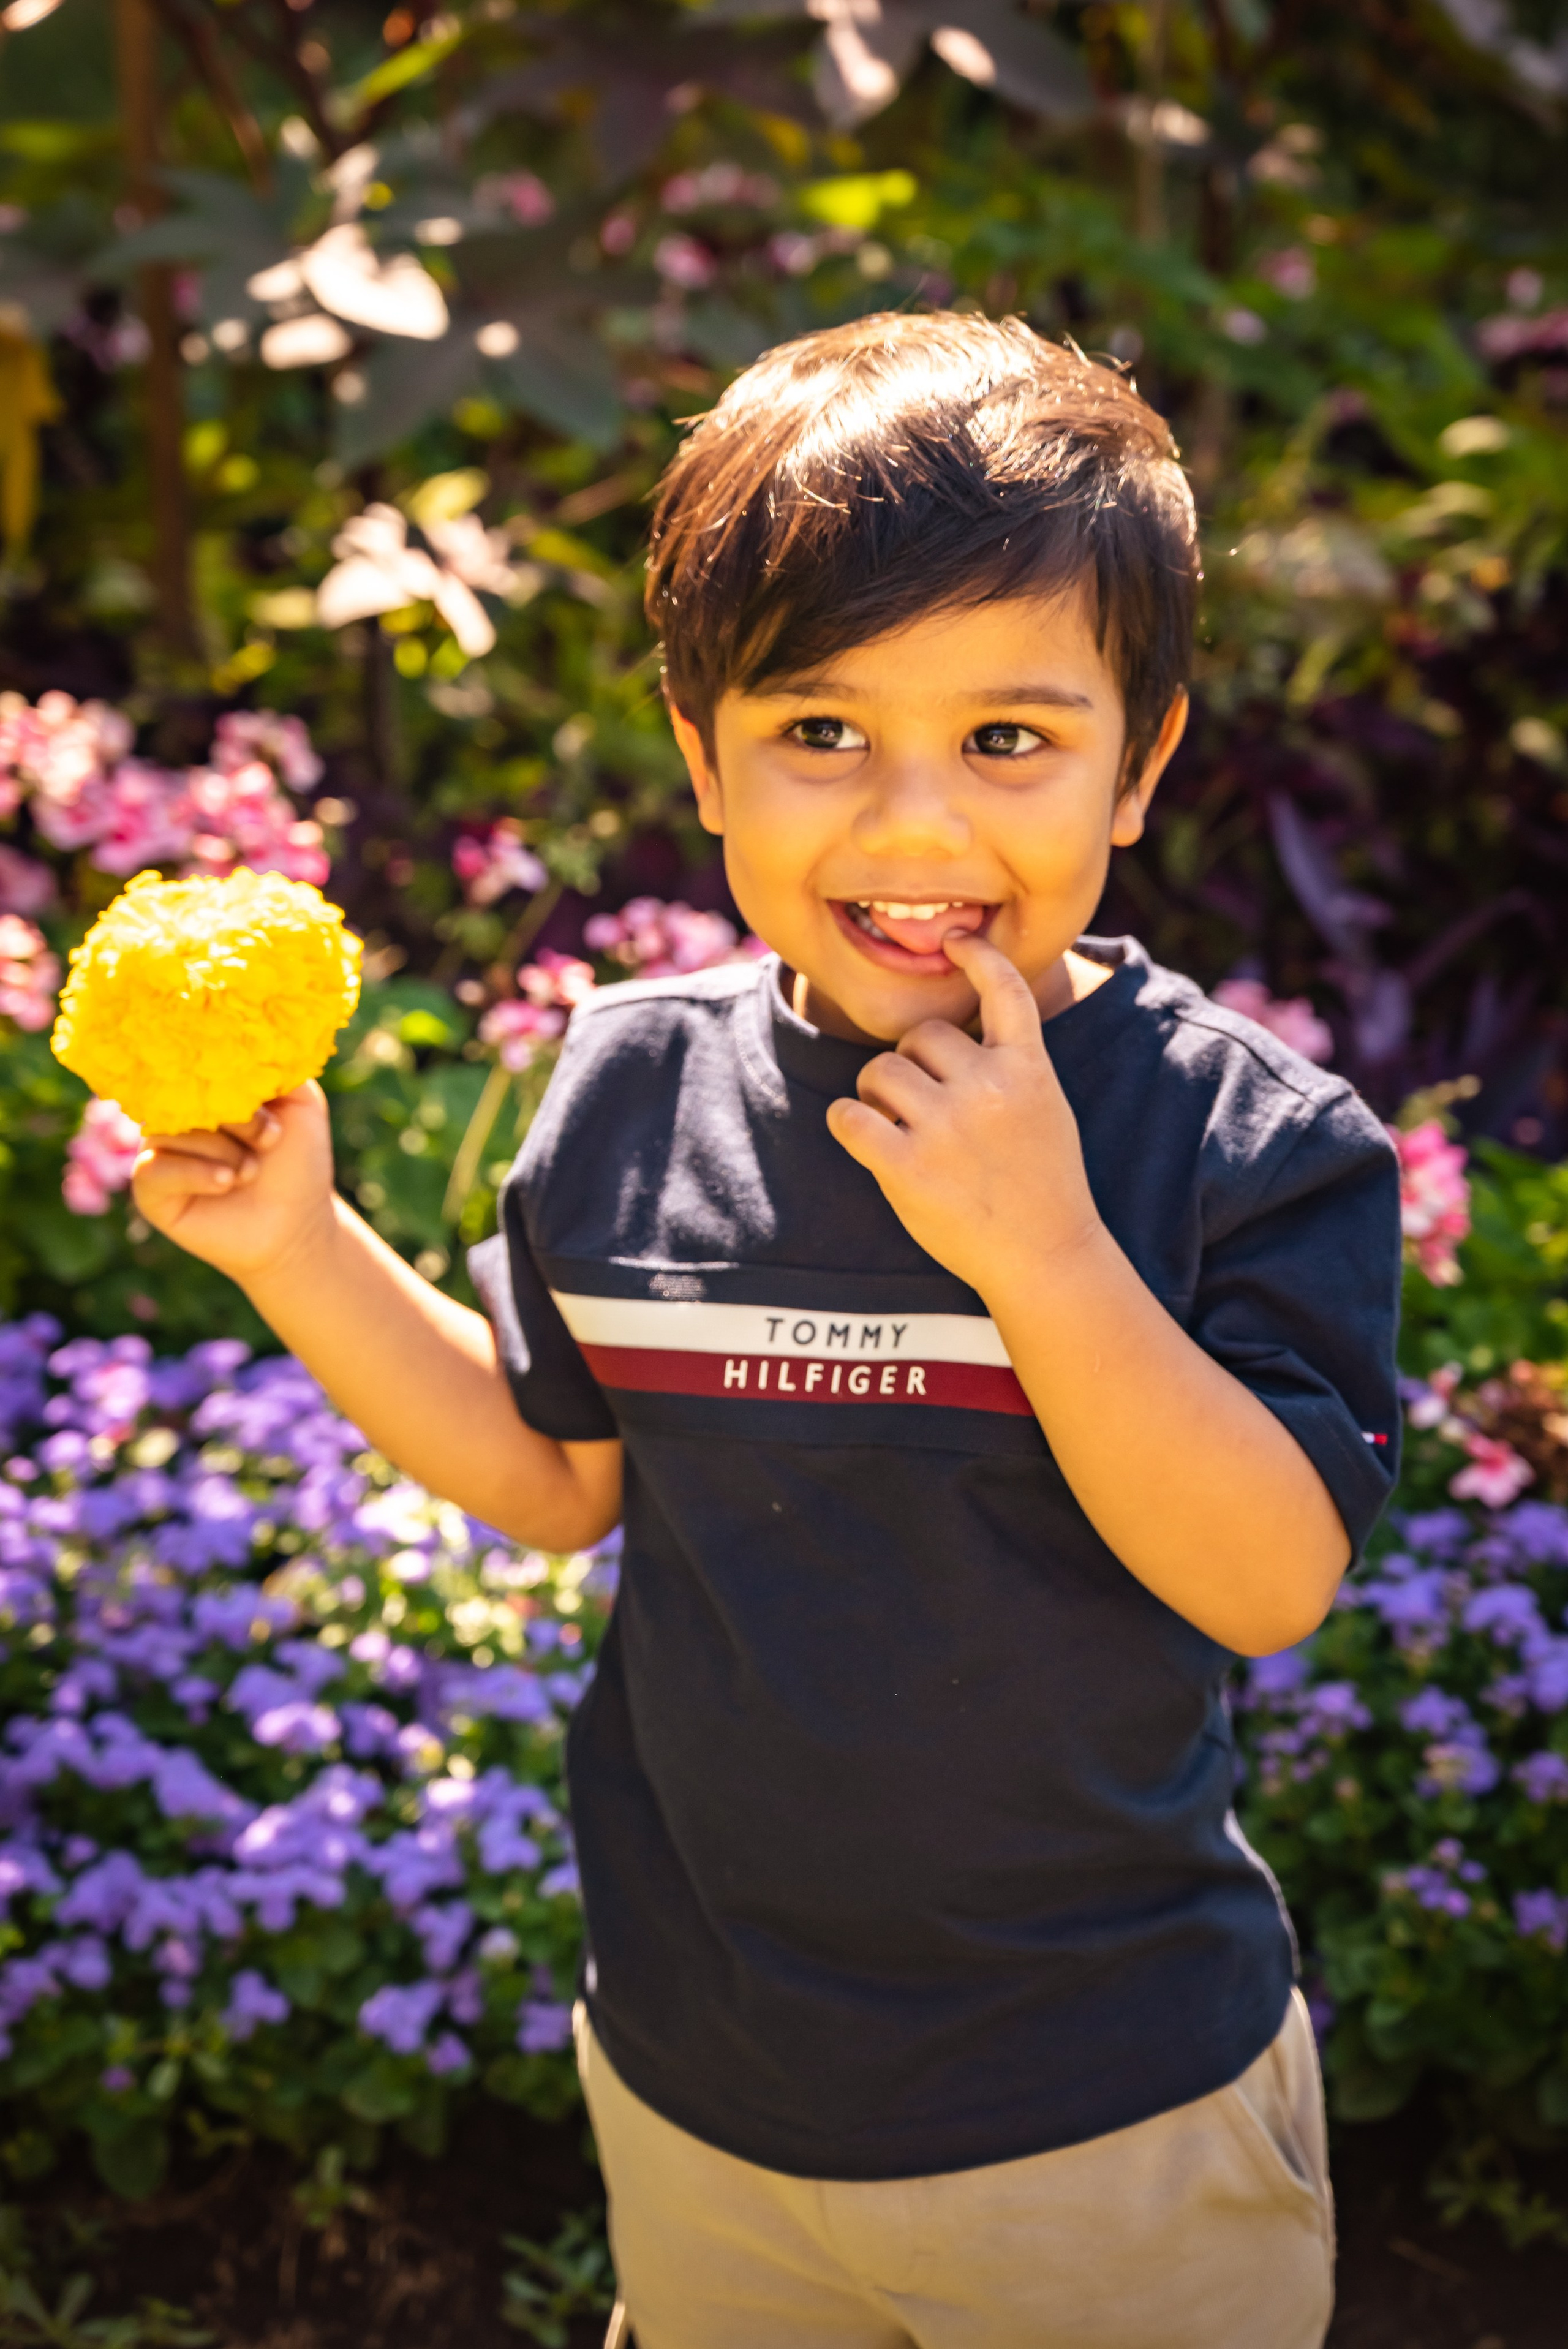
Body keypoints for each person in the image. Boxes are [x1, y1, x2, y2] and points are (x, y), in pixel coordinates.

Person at [133, 313, 1402, 2349]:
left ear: (1141, 763)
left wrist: (1048, 1257)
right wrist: (298, 1249)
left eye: (1008, 740)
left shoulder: (1239, 1142)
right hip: (706, 2086)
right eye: (822, 734)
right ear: (705, 751)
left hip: (1106, 2121)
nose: (912, 830)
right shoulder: (633, 1091)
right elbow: (553, 1478)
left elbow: (1264, 1578)